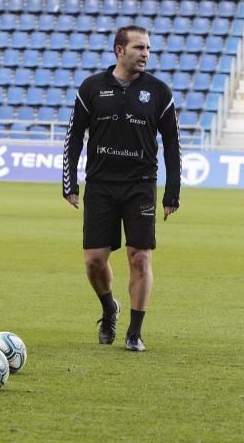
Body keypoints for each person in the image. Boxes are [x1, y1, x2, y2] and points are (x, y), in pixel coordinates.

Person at [62, 24, 181, 352]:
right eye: (139, 48)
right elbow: (74, 136)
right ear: (119, 50)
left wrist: (173, 191)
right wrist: (69, 181)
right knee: (94, 261)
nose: (145, 54)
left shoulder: (159, 91)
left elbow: (171, 142)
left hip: (140, 185)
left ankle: (135, 332)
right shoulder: (91, 88)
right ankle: (109, 308)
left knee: (140, 257)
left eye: (147, 49)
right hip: (100, 185)